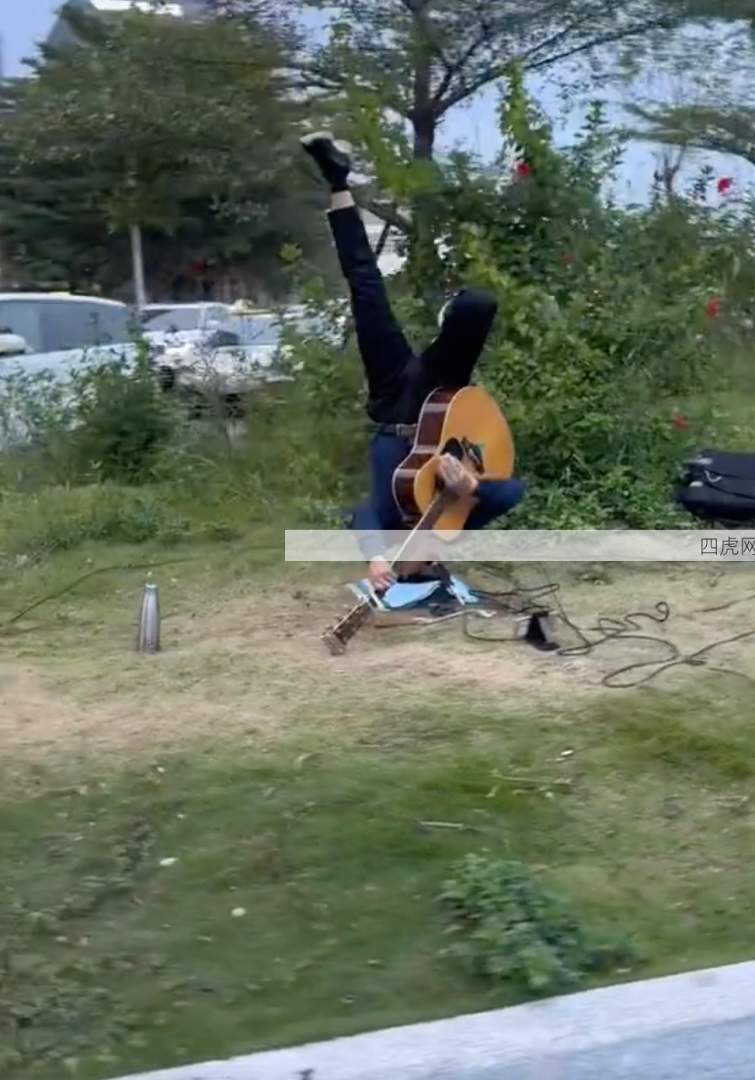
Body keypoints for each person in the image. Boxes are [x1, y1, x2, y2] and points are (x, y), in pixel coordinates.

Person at [301, 132, 525, 594]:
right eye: (422, 565)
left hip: (393, 408)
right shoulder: (454, 520)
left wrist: (377, 558)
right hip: (438, 403)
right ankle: (454, 312)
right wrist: (470, 487)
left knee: (366, 291)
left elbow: (359, 513)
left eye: (412, 563)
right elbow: (513, 491)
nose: (419, 559)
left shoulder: (391, 517)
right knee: (479, 307)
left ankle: (337, 180)